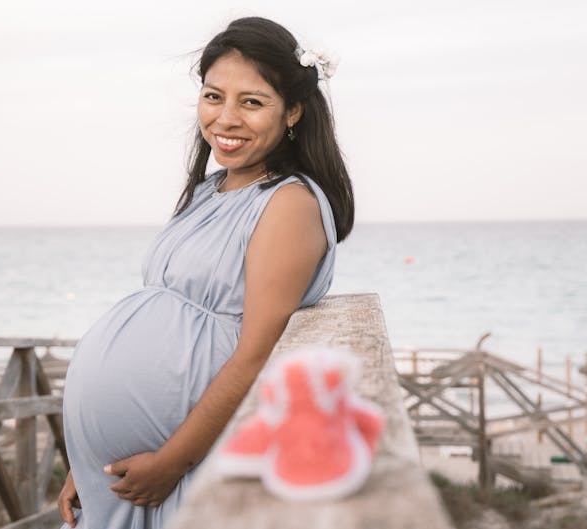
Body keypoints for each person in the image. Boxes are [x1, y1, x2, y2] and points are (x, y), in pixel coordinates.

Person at [57, 16, 354, 529]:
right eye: (214, 96)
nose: (226, 117)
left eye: (252, 101)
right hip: (122, 472)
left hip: (183, 468)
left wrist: (174, 460)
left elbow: (255, 354)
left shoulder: (289, 204)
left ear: (294, 112)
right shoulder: (207, 192)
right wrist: (86, 460)